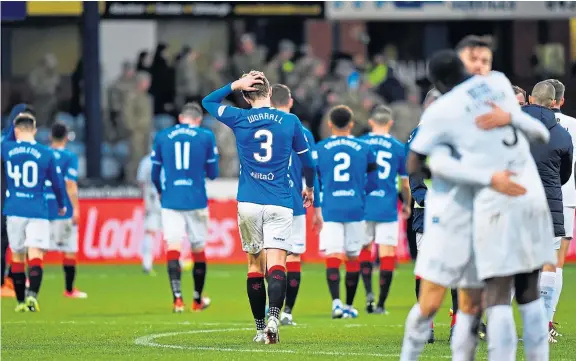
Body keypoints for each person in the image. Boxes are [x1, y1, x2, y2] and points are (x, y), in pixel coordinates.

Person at [401, 50, 553, 361]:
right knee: (451, 300)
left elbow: (418, 162)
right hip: (468, 211)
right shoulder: (492, 88)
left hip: (477, 213)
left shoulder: (454, 109)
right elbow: (541, 135)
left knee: (470, 303)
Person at [202, 71, 316, 344]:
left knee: (255, 264)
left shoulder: (239, 117)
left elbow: (207, 102)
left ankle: (258, 328)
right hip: (280, 200)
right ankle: (275, 318)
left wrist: (234, 85)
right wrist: (309, 188)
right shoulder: (290, 121)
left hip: (249, 201)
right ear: (269, 93)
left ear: (245, 95)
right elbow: (309, 162)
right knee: (278, 262)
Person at [150, 103, 218, 313]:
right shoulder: (206, 136)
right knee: (198, 249)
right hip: (196, 199)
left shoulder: (162, 136)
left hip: (171, 199)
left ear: (180, 118)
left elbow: (154, 173)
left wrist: (161, 191)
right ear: (198, 120)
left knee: (173, 247)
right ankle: (197, 300)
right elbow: (213, 172)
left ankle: (177, 300)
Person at [314, 105, 378, 319]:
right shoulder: (364, 147)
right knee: (353, 257)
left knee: (333, 255)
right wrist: (360, 192)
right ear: (351, 124)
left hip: (331, 206)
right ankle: (350, 306)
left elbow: (313, 179)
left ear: (330, 124)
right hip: (355, 207)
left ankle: (336, 304)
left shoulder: (320, 148)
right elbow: (374, 181)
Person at [522, 81, 573, 343]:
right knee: (550, 262)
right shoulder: (563, 133)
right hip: (553, 203)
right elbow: (565, 173)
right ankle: (542, 325)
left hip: (515, 201)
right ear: (554, 102)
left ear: (530, 98)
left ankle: (500, 325)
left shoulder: (513, 123)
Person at [2, 110, 67, 312]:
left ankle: (20, 302)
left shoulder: (6, 148)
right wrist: (62, 203)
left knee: (18, 255)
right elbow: (57, 184)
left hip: (13, 209)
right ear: (35, 130)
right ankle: (32, 297)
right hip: (37, 209)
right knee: (35, 253)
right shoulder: (46, 153)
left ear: (16, 130)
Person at [269, 84, 320, 326]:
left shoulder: (261, 125)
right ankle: (287, 311)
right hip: (295, 201)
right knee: (294, 256)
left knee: (271, 254)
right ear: (290, 102)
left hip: (266, 198)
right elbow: (312, 172)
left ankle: (272, 310)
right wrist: (317, 208)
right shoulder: (303, 131)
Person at [358, 105, 411, 315]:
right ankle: (381, 304)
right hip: (387, 205)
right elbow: (405, 183)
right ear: (390, 123)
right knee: (387, 253)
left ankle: (368, 295)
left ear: (371, 122)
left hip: (364, 205)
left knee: (364, 249)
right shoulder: (398, 147)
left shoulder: (360, 143)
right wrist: (406, 203)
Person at [546, 78, 575, 341]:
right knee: (557, 264)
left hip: (537, 196)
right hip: (566, 198)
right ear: (562, 100)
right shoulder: (574, 126)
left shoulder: (529, 123)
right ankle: (548, 321)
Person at [47, 123, 86, 299]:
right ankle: (69, 290)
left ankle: (24, 283)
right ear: (66, 138)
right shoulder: (70, 157)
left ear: (50, 137)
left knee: (36, 248)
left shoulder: (42, 154)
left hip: (42, 208)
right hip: (63, 208)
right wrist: (76, 208)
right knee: (69, 248)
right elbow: (70, 184)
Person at [123, 72, 153, 184]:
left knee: (145, 155)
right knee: (135, 156)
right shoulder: (132, 96)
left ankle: (142, 180)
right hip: (136, 132)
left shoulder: (146, 97)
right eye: (146, 82)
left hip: (146, 130)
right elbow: (127, 114)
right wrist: (133, 128)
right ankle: (131, 180)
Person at [136, 148, 162, 276]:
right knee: (173, 232)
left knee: (149, 233)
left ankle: (147, 263)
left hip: (152, 199)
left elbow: (141, 181)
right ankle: (177, 262)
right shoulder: (169, 158)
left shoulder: (147, 160)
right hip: (167, 200)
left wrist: (144, 198)